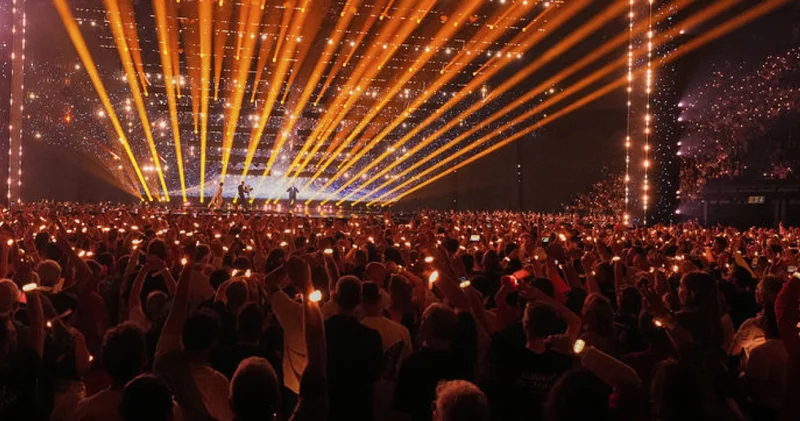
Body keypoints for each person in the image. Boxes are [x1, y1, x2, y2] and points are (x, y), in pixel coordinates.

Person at [325, 276, 383, 421]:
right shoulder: (371, 337)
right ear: (360, 300)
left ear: (335, 298)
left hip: (330, 404)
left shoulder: (323, 331)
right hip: (360, 406)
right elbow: (377, 374)